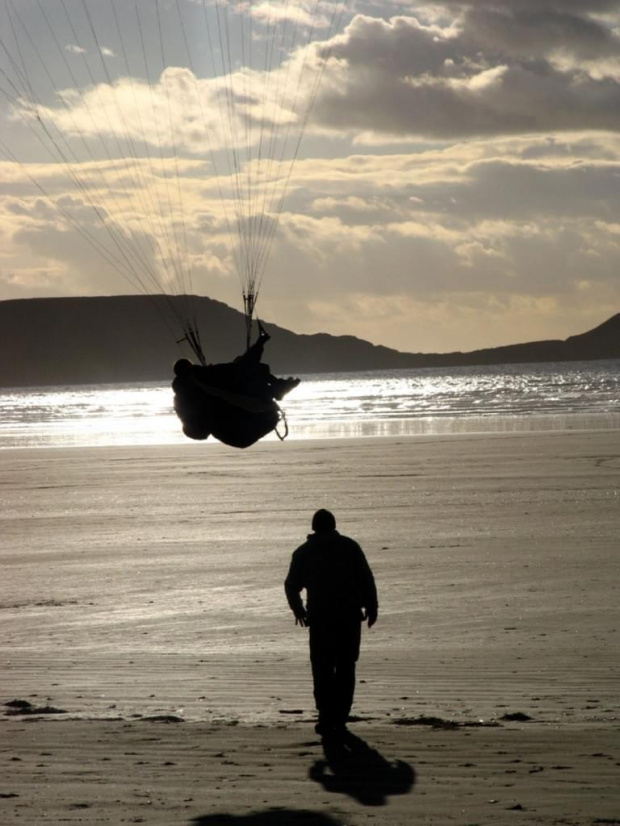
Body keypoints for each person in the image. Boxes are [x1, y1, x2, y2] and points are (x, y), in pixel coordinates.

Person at [284, 509, 378, 738]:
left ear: (314, 527)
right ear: (333, 525)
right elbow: (366, 579)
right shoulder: (350, 547)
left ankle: (326, 714)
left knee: (322, 666)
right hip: (348, 616)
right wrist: (372, 606)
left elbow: (290, 585)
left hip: (320, 617)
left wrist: (298, 609)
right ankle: (340, 715)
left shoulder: (304, 552)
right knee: (346, 665)